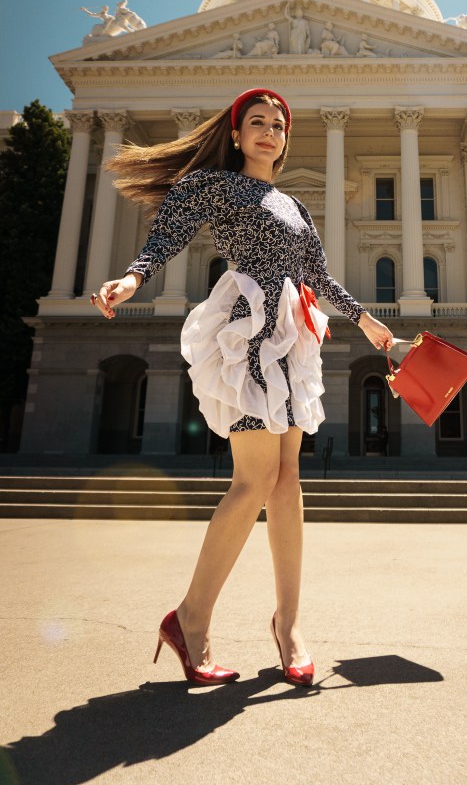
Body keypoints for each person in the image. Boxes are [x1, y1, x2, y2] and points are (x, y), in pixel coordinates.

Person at [91, 87, 393, 688]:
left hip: (289, 337)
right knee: (253, 479)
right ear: (235, 134)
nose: (269, 131)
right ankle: (191, 619)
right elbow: (170, 230)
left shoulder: (293, 205)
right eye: (256, 122)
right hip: (246, 332)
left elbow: (317, 274)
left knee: (286, 481)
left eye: (278, 125)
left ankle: (289, 624)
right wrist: (133, 278)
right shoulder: (217, 184)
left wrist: (365, 319)